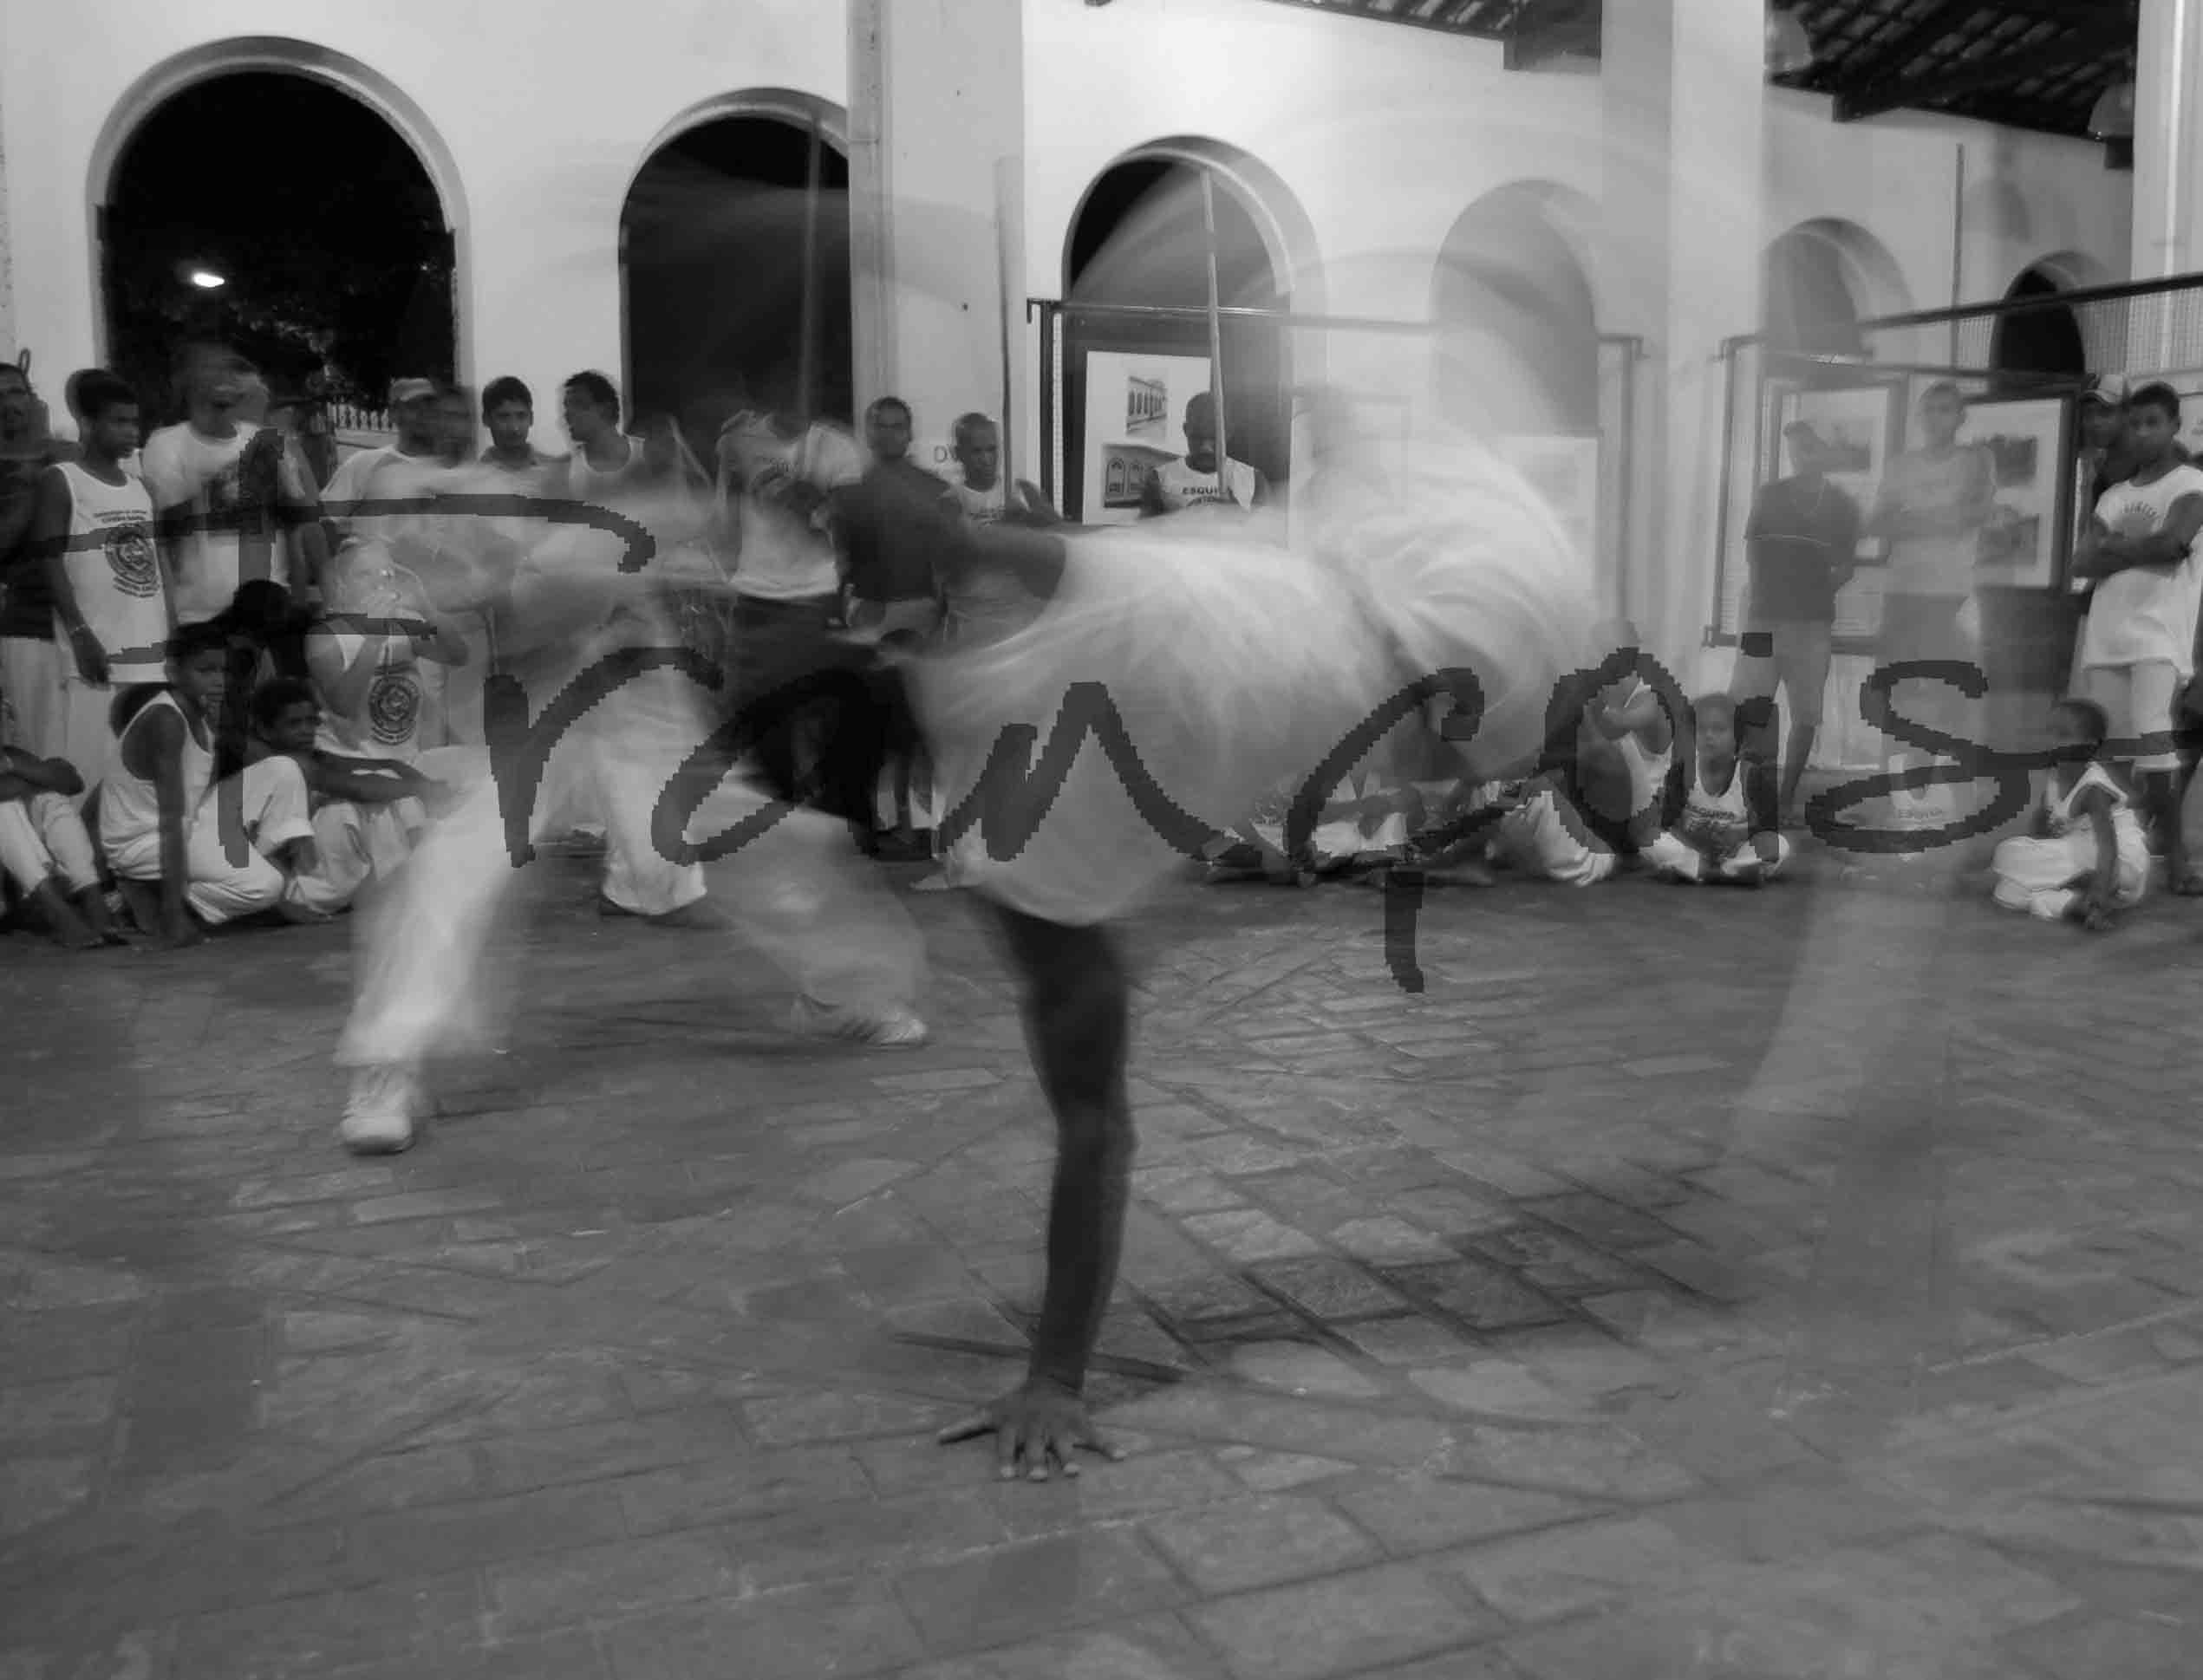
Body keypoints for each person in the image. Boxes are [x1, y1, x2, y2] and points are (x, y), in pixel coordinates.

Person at [905, 432, 1594, 1476]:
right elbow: (1094, 1133)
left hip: (1355, 614)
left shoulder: (1106, 655)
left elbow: (1095, 1133)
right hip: (1363, 615)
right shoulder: (1034, 850)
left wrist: (1054, 1376)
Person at [332, 496, 932, 1156]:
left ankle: (840, 990)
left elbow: (576, 587)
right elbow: (496, 617)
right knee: (458, 860)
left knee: (740, 830)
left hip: (633, 691)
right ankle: (387, 1061)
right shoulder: (429, 525)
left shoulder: (592, 522)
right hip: (548, 700)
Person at [99, 621, 330, 944]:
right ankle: (166, 904)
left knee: (283, 769)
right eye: (205, 671)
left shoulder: (203, 708)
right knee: (264, 887)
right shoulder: (166, 720)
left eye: (222, 670)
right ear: (173, 672)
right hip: (144, 840)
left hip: (189, 819)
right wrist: (175, 923)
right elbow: (170, 821)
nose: (218, 680)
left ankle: (265, 885)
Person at [2070, 381, 2203, 894]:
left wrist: (2117, 549)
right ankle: (2118, 854)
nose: (2143, 433)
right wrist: (2137, 547)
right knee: (2111, 751)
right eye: (2136, 423)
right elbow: (2082, 560)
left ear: (2174, 425)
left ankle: (2177, 862)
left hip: (2156, 637)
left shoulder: (2191, 482)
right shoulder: (2115, 493)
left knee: (2156, 752)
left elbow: (2173, 543)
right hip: (2107, 636)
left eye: (2154, 422)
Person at [23, 370, 170, 790]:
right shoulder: (63, 479)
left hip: (150, 649)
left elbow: (159, 568)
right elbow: (50, 559)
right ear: (89, 424)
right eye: (118, 422)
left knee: (139, 775)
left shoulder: (141, 488)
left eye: (134, 423)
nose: (130, 432)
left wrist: (172, 635)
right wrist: (80, 631)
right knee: (90, 771)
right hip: (97, 649)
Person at [1867, 381, 1997, 831]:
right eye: (1930, 411)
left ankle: (1959, 800)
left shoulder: (1975, 460)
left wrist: (1913, 520)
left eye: (1946, 410)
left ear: (1961, 417)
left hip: (1953, 593)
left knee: (1953, 695)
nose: (1937, 418)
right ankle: (1895, 796)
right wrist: (1940, 518)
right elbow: (1878, 521)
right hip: (1904, 591)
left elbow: (1975, 513)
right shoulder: (1900, 466)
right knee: (1896, 693)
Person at [1730, 422, 1861, 823]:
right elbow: (1752, 551)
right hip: (1762, 620)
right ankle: (1740, 795)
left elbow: (1847, 566)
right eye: (1795, 449)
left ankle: (1786, 800)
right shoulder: (1770, 496)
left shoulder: (1842, 504)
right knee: (1748, 708)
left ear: (1825, 452)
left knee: (1806, 713)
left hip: (1812, 625)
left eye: (1809, 448)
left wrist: (1816, 593)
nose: (1800, 456)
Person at [141, 346, 318, 625]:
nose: (220, 380)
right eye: (209, 372)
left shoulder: (270, 441)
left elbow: (296, 525)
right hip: (199, 615)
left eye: (227, 372)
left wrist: (297, 604)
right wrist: (220, 490)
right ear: (190, 385)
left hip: (269, 607)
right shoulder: (165, 444)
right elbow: (163, 532)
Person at [1990, 697, 2147, 929]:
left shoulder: (2093, 787)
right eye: (2049, 732)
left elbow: (2108, 847)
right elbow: (2041, 829)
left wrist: (2100, 891)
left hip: (2118, 865)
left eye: (2063, 734)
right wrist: (2035, 848)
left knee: (2008, 854)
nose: (2052, 741)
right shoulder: (2054, 777)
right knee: (2007, 892)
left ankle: (2094, 900)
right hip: (2078, 857)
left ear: (2090, 745)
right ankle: (2074, 904)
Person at [0, 360, 83, 760]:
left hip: (87, 613)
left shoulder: (69, 454)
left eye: (16, 392)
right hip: (24, 621)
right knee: (37, 745)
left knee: (85, 741)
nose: (8, 404)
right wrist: (33, 478)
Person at [1643, 694, 1789, 886]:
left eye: (1719, 729)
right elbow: (1668, 824)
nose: (1709, 736)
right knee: (1649, 839)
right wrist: (1694, 840)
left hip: (1735, 852)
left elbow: (1767, 829)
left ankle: (1711, 870)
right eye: (1702, 729)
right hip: (1694, 851)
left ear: (1738, 738)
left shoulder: (1752, 776)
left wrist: (1737, 836)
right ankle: (1729, 874)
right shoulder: (1681, 773)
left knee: (1779, 844)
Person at [0, 745, 119, 947]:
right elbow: (55, 778)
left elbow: (72, 781)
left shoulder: (11, 754)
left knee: (51, 798)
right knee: (4, 809)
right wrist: (37, 778)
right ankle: (56, 911)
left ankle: (90, 893)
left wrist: (13, 768)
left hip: (18, 880)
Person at [1140, 391, 1267, 516]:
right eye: (1197, 437)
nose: (1205, 448)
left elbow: (1265, 532)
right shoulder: (1159, 480)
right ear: (1186, 430)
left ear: (1228, 433)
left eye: (1214, 437)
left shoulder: (1254, 480)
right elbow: (1146, 533)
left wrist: (1237, 516)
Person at [478, 377, 557, 483]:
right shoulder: (472, 477)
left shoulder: (555, 472)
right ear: (486, 419)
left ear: (531, 418)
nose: (514, 428)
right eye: (503, 417)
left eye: (521, 416)